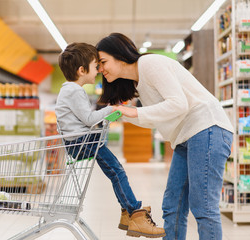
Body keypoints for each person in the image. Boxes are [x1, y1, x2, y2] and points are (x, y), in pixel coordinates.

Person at [96, 33, 234, 240]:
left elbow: (178, 104)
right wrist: (122, 113)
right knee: (173, 206)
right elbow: (155, 119)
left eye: (103, 62)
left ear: (120, 55)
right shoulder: (138, 83)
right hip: (185, 137)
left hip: (207, 128)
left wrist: (133, 112)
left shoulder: (149, 64)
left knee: (203, 206)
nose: (100, 69)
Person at [55, 42, 166, 238]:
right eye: (95, 65)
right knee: (117, 171)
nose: (99, 70)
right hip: (82, 142)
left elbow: (83, 120)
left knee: (114, 171)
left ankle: (128, 212)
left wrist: (107, 114)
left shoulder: (68, 90)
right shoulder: (74, 90)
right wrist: (113, 109)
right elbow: (88, 120)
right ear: (82, 70)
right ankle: (134, 213)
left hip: (80, 141)